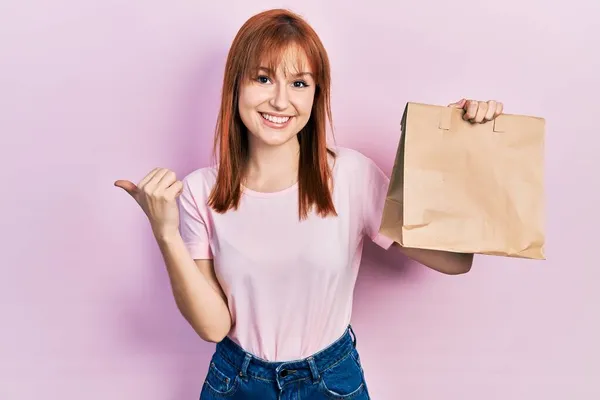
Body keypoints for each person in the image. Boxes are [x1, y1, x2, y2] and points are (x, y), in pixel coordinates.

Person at [115, 8, 505, 400]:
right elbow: (214, 327)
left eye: (299, 83)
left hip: (330, 382)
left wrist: (461, 145)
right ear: (236, 86)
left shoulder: (350, 176)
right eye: (263, 78)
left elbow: (455, 261)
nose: (281, 100)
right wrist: (165, 233)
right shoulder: (201, 191)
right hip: (235, 383)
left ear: (316, 93)